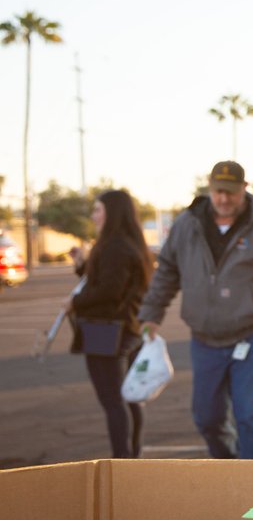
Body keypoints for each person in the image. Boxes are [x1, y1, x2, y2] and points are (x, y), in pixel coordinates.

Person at [138, 161, 253, 459]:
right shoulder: (187, 225)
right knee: (207, 417)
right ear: (209, 188)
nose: (224, 199)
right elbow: (166, 271)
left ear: (244, 189)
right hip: (206, 340)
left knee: (249, 415)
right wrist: (151, 315)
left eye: (231, 192)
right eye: (218, 192)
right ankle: (228, 468)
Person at [67, 189, 155, 458]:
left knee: (114, 402)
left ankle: (122, 461)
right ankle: (131, 456)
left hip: (107, 331)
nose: (93, 216)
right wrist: (82, 265)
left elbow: (109, 292)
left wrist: (75, 302)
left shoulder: (114, 247)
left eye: (98, 210)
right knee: (129, 398)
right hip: (128, 329)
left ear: (112, 213)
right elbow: (109, 282)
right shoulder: (130, 244)